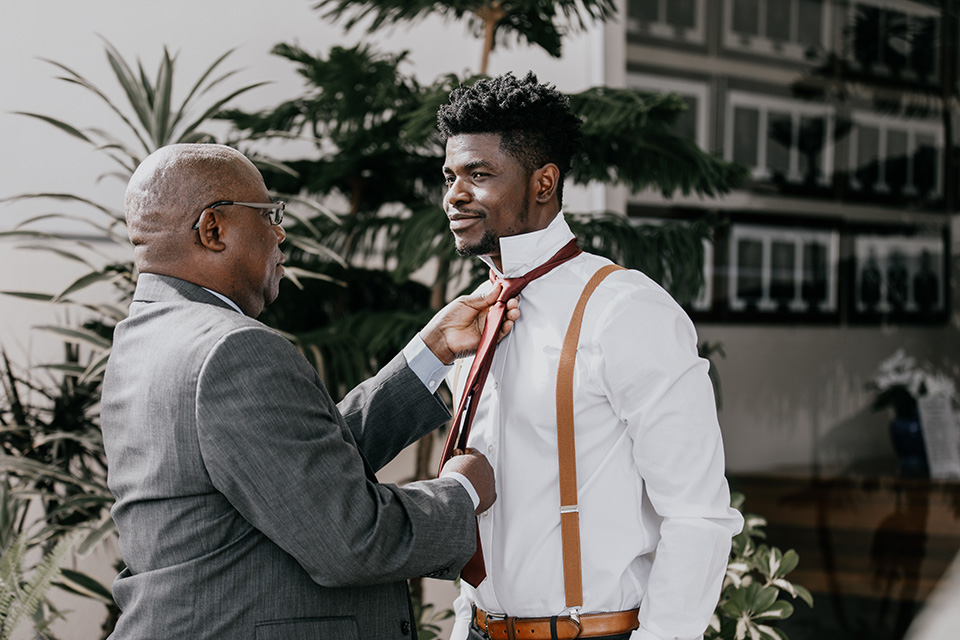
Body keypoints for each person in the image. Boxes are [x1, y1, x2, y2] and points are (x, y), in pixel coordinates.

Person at [101, 143, 517, 639]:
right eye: (267, 214)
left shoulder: (142, 341)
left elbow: (293, 467)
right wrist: (464, 490)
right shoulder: (233, 348)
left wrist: (431, 352)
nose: (280, 233)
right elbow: (352, 539)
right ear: (213, 229)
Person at [436, 72, 744, 640]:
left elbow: (698, 515)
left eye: (479, 175)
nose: (454, 194)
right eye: (450, 175)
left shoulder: (623, 309)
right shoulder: (473, 319)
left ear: (543, 182)